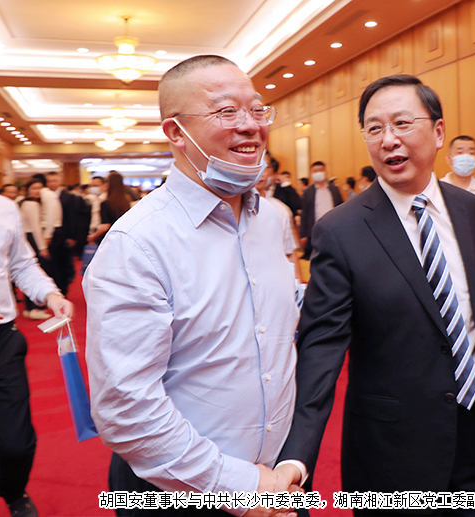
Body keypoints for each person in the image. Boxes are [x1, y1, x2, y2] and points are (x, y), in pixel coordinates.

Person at [276, 74, 475, 516]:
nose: (388, 140)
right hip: (394, 453)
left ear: (438, 132)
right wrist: (297, 455)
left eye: (402, 123)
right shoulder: (340, 231)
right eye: (374, 128)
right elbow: (321, 347)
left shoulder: (472, 210)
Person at [83, 54, 301, 517]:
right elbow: (126, 408)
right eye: (226, 111)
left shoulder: (272, 219)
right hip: (179, 490)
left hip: (279, 479)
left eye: (256, 109)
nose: (250, 125)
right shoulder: (137, 242)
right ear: (176, 132)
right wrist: (240, 487)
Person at [0, 188, 74, 517]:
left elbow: (22, 265)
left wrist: (51, 295)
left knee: (16, 444)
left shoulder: (3, 208)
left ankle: (13, 492)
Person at [255, 173, 301, 282]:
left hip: (274, 279)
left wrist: (297, 283)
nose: (260, 172)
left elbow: (289, 251)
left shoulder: (280, 209)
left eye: (266, 167)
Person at [17, 179, 51, 320]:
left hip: (28, 238)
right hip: (32, 239)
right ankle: (34, 308)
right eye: (34, 188)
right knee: (35, 272)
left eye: (40, 188)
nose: (37, 191)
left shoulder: (24, 202)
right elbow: (35, 227)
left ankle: (30, 308)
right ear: (27, 190)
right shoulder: (31, 204)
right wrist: (42, 247)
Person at [298, 161, 342, 259]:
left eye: (321, 170)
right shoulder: (308, 192)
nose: (318, 173)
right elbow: (304, 214)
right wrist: (303, 234)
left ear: (326, 172)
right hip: (315, 230)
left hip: (334, 229)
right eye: (315, 171)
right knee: (316, 257)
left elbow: (341, 207)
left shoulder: (334, 189)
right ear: (311, 174)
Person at [87, 172, 131, 246]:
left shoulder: (106, 203)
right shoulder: (127, 201)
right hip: (123, 236)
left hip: (109, 238)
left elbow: (105, 225)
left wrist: (93, 236)